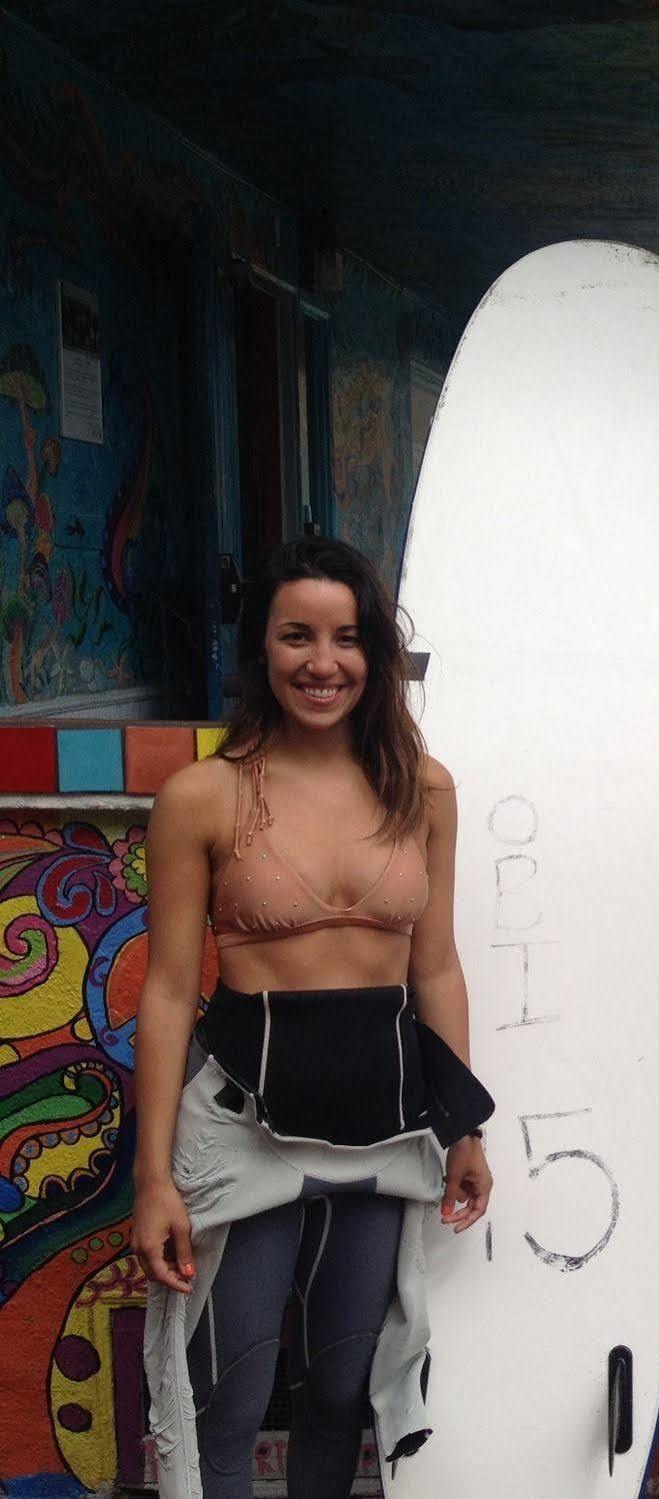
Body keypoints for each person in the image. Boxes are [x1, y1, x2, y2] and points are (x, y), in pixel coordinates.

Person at [133, 536, 493, 1499]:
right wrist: (153, 1173)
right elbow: (170, 991)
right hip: (243, 1121)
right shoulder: (203, 796)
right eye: (296, 636)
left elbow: (438, 964)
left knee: (341, 1391)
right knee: (231, 1395)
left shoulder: (423, 787)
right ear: (261, 647)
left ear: (373, 653)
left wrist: (465, 1124)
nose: (321, 662)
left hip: (385, 1121)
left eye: (344, 638)